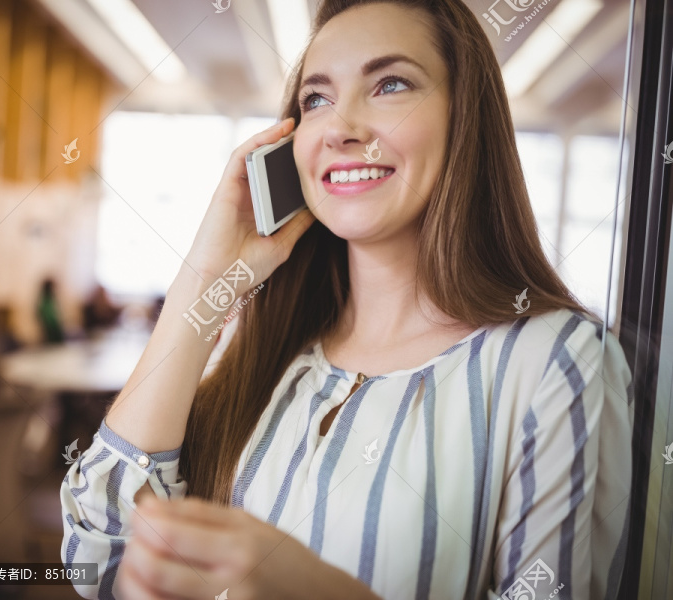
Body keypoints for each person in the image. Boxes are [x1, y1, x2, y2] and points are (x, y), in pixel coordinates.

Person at [60, 0, 634, 598]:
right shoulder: (273, 352)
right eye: (316, 99)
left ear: (465, 118)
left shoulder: (556, 360)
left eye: (390, 84)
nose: (340, 127)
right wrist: (208, 275)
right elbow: (96, 560)